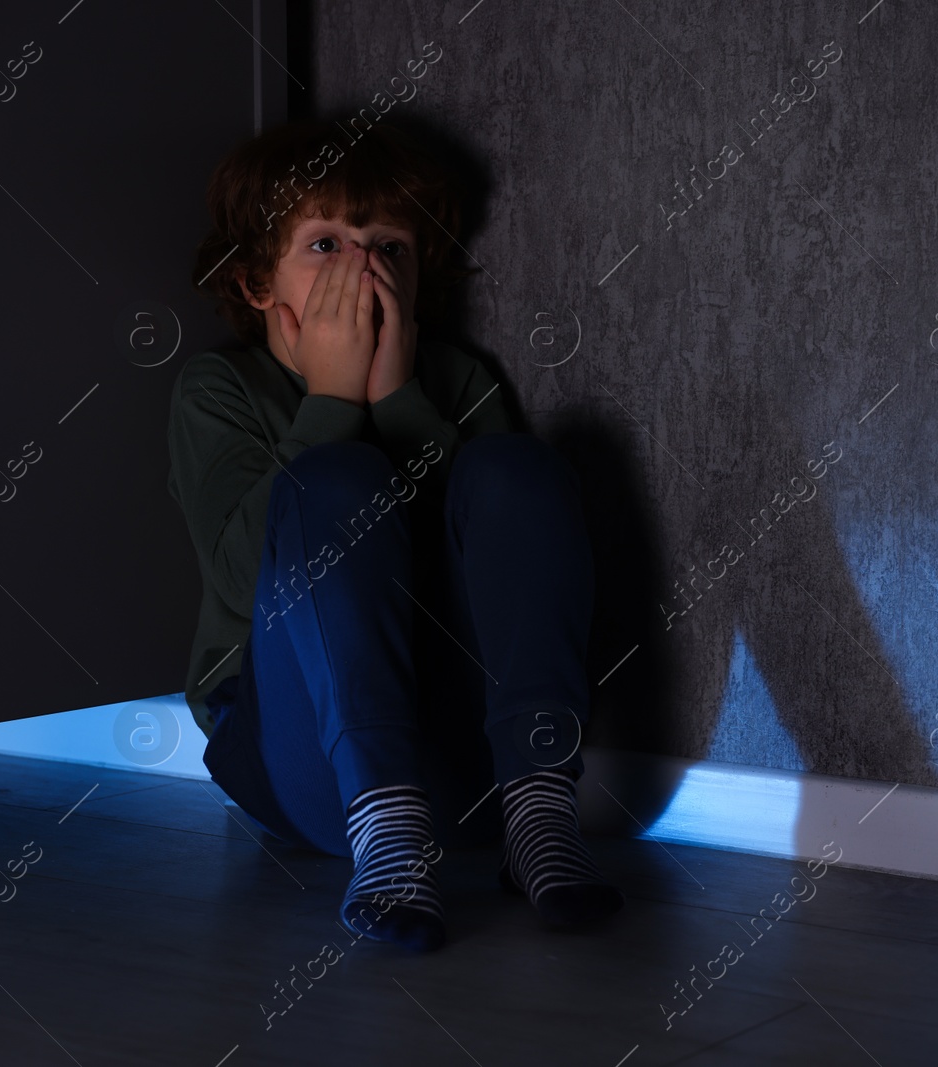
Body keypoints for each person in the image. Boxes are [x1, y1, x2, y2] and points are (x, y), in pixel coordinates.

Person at [166, 117, 623, 952]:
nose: (364, 268)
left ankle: (540, 808)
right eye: (327, 245)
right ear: (259, 282)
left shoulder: (457, 380)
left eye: (390, 247)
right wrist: (334, 405)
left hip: (469, 760)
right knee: (333, 481)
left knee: (518, 468)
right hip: (303, 763)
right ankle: (387, 832)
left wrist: (404, 403)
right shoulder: (219, 390)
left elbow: (507, 575)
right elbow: (239, 579)